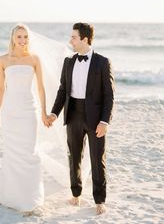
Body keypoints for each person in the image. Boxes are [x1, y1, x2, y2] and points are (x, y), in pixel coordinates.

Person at [0, 24, 50, 215]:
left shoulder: (34, 59)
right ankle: (14, 195)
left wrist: (44, 112)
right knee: (12, 153)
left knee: (30, 153)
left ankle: (32, 198)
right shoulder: (3, 60)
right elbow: (0, 88)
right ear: (12, 38)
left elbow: (41, 88)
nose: (23, 40)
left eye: (25, 37)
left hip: (29, 109)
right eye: (19, 37)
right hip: (10, 111)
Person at [47, 22, 115, 215]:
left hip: (95, 118)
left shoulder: (103, 62)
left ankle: (100, 201)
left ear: (85, 39)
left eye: (74, 37)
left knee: (97, 159)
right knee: (74, 156)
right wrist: (54, 113)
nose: (71, 41)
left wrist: (105, 121)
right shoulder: (69, 61)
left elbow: (109, 95)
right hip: (73, 113)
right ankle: (76, 194)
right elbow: (62, 91)